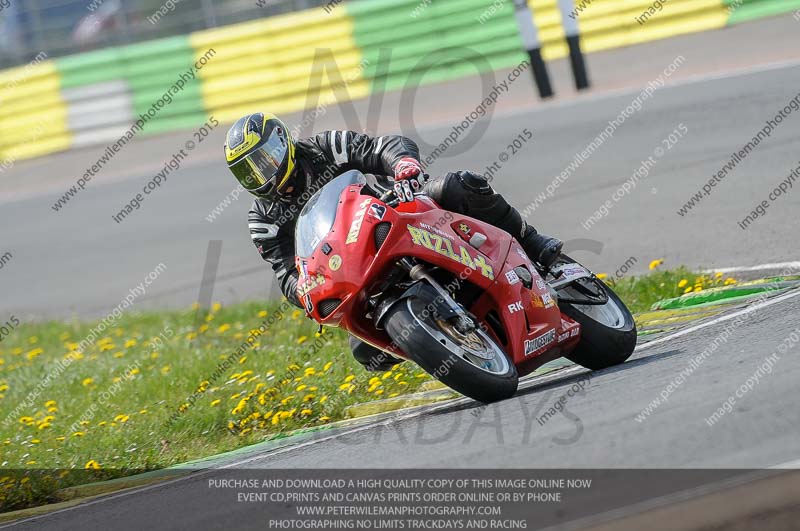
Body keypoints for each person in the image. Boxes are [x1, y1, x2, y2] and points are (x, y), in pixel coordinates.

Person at [225, 112, 562, 371]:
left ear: (282, 142)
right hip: (351, 267)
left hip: (395, 210)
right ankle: (449, 345)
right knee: (366, 351)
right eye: (248, 171)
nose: (260, 174)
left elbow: (380, 147)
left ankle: (533, 244)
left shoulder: (325, 146)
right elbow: (287, 273)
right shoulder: (263, 221)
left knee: (460, 186)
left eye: (264, 159)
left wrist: (404, 166)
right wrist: (302, 291)